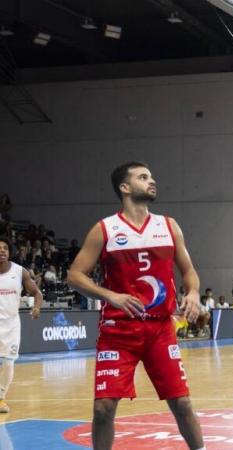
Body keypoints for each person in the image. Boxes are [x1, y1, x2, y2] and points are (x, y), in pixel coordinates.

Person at [66, 161, 204, 450]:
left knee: (182, 402)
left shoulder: (169, 225)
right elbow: (75, 275)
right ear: (125, 188)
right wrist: (110, 295)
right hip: (118, 330)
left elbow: (189, 270)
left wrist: (192, 293)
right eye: (143, 177)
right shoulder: (105, 229)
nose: (151, 181)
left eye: (151, 176)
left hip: (159, 330)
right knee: (103, 410)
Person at [0, 236, 43, 413]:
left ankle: (1, 398)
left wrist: (37, 307)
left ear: (9, 252)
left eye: (5, 248)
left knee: (8, 363)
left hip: (11, 326)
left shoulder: (19, 272)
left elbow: (37, 293)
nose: (2, 250)